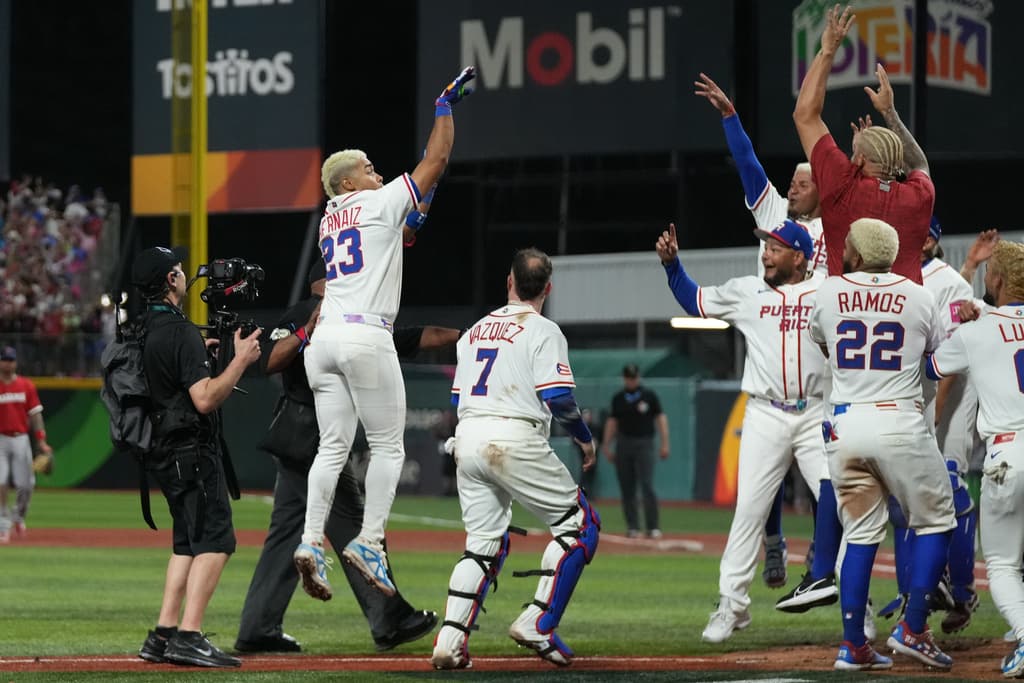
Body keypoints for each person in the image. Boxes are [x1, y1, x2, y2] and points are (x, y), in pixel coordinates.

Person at [294, 65, 476, 599]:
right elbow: (435, 163)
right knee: (388, 447)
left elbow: (400, 233)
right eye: (368, 168)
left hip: (322, 340)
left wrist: (413, 215)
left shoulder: (333, 216)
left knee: (332, 449)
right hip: (364, 336)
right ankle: (369, 540)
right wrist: (444, 107)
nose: (377, 172)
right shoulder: (374, 201)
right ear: (348, 182)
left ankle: (310, 542)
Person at [235, 260, 458, 653]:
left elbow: (419, 336)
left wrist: (471, 337)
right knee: (357, 526)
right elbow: (269, 359)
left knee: (288, 532)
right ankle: (389, 617)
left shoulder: (358, 317)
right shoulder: (306, 311)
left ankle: (258, 626)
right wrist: (307, 329)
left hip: (307, 443)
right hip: (305, 438)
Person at [697, 71, 843, 591]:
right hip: (778, 346)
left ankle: (828, 571)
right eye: (792, 184)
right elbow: (749, 168)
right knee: (766, 467)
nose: (791, 189)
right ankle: (777, 545)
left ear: (824, 188)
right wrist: (731, 118)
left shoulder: (842, 226)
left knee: (842, 486)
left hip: (828, 369)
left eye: (803, 183)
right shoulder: (778, 215)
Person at [657, 219, 831, 643]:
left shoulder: (828, 290)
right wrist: (672, 266)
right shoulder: (747, 291)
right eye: (765, 247)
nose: (766, 254)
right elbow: (695, 301)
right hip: (765, 413)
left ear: (799, 256)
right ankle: (731, 606)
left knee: (839, 501)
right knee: (748, 511)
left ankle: (853, 605)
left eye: (774, 248)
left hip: (816, 413)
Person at [431, 248, 600, 670]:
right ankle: (538, 621)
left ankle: (449, 644)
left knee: (482, 544)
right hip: (514, 436)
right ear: (548, 288)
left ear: (509, 282)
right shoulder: (544, 330)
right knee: (580, 527)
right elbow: (558, 397)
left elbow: (457, 399)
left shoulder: (473, 332)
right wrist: (584, 438)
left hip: (467, 437)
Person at [809, 218, 955, 671]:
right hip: (899, 420)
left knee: (859, 536)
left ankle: (853, 645)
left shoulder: (829, 292)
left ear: (855, 252)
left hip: (845, 423)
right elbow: (933, 359)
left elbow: (823, 342)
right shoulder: (919, 294)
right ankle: (913, 627)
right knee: (936, 521)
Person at [132, 246, 262, 668]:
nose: (186, 276)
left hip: (162, 450)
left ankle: (163, 634)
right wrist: (239, 361)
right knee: (217, 539)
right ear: (171, 280)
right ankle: (189, 636)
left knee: (187, 542)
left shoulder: (144, 327)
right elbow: (204, 399)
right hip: (190, 451)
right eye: (180, 271)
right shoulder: (178, 331)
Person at [927, 240, 1024, 677]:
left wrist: (960, 319)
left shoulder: (976, 329)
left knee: (1002, 565)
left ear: (998, 279)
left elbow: (931, 368)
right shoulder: (982, 322)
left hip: (1008, 454)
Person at [880, 216, 980, 632]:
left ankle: (961, 589)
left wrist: (937, 409)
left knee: (950, 483)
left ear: (930, 240)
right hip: (911, 398)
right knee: (903, 502)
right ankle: (914, 594)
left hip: (950, 396)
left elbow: (954, 358)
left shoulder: (947, 281)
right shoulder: (893, 278)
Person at [793, 5, 934, 285]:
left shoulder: (841, 185)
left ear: (857, 162)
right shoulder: (919, 197)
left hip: (845, 310)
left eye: (853, 149)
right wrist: (890, 113)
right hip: (903, 315)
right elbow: (918, 163)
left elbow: (805, 115)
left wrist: (828, 52)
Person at [601, 364, 669, 538]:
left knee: (647, 485)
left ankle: (653, 526)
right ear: (624, 378)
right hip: (624, 443)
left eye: (634, 377)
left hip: (644, 442)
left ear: (638, 377)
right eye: (628, 378)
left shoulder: (649, 396)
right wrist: (606, 444)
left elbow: (660, 418)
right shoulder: (618, 398)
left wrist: (664, 442)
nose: (631, 381)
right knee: (627, 486)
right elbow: (612, 422)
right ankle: (633, 526)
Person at [0, 345, 52, 543]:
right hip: (1, 440)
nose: (8, 363)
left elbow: (36, 415)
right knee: (1, 481)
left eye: (11, 359)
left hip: (21, 438)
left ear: (16, 362)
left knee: (27, 484)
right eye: (4, 359)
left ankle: (18, 517)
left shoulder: (26, 385)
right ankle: (3, 525)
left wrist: (41, 440)